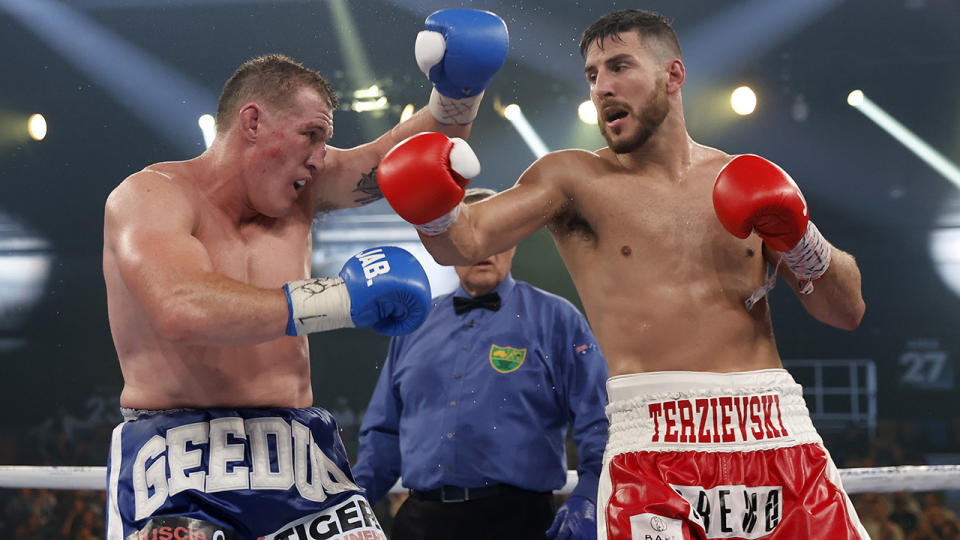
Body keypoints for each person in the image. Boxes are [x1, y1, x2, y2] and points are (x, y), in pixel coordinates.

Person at [375, 8, 869, 540]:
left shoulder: (743, 177)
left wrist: (798, 235)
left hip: (776, 428)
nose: (602, 87)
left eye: (618, 66)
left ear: (673, 76)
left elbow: (844, 311)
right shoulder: (574, 180)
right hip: (656, 441)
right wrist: (429, 199)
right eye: (592, 75)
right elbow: (462, 241)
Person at [101, 9, 509, 539]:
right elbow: (181, 307)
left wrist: (458, 93)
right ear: (252, 123)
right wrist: (341, 299)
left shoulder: (302, 190)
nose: (321, 159)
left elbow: (400, 159)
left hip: (297, 453)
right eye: (311, 135)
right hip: (179, 454)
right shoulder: (152, 196)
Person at [353, 187, 609, 540]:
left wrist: (590, 494)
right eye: (467, 237)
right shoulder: (415, 323)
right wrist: (353, 502)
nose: (482, 248)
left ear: (515, 240)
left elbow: (599, 421)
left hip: (519, 521)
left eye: (494, 235)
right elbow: (383, 432)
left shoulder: (557, 319)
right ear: (448, 246)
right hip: (420, 522)